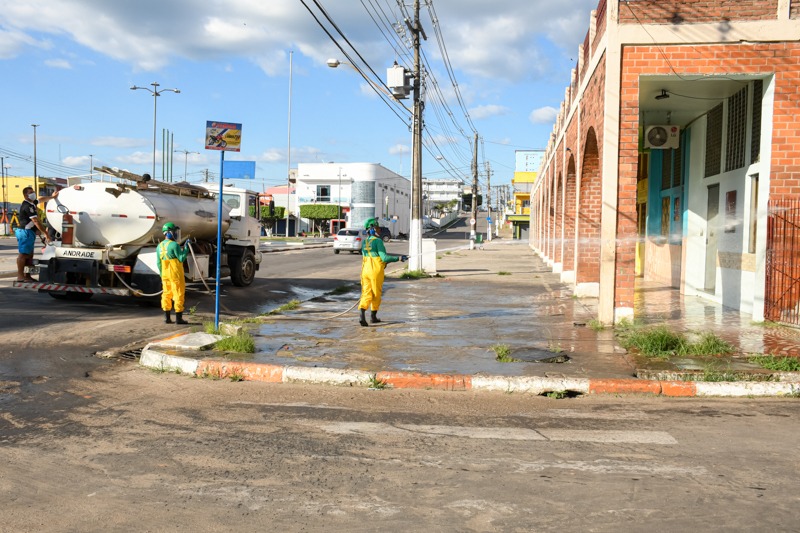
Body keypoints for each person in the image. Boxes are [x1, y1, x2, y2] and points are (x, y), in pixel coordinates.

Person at [358, 217, 407, 327]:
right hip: (375, 272)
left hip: (365, 271)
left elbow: (372, 257)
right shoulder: (378, 241)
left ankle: (361, 314)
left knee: (366, 293)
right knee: (376, 293)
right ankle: (373, 317)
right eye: (377, 228)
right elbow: (384, 258)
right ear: (372, 229)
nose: (379, 230)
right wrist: (398, 258)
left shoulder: (365, 242)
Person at [15, 186, 57, 282]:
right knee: (23, 255)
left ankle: (27, 276)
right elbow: (36, 221)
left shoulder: (32, 203)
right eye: (30, 192)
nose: (33, 193)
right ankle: (20, 276)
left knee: (29, 255)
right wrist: (46, 233)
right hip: (25, 232)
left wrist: (52, 197)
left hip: (29, 232)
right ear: (25, 195)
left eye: (33, 191)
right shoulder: (27, 206)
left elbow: (41, 199)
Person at [156, 222, 189, 325]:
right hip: (175, 274)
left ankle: (167, 318)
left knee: (166, 294)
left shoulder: (159, 246)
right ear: (169, 232)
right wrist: (186, 248)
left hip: (165, 275)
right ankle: (178, 319)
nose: (175, 233)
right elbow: (181, 258)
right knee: (178, 294)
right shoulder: (174, 245)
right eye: (174, 231)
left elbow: (158, 263)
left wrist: (162, 274)